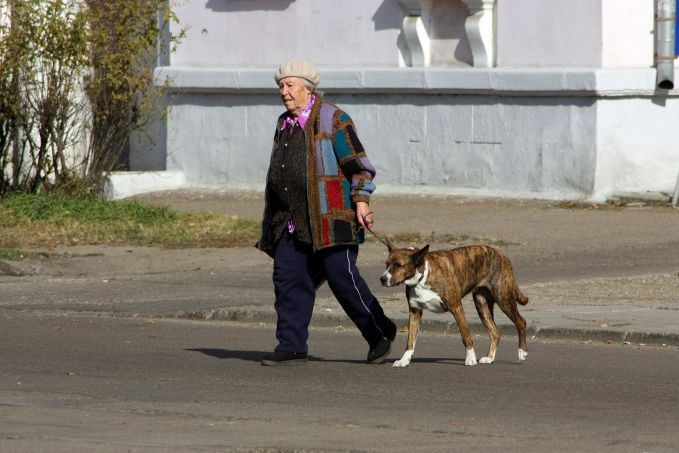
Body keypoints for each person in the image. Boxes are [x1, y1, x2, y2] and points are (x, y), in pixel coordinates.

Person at [257, 59, 397, 366]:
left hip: (331, 218)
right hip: (291, 221)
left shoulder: (334, 119)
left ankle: (379, 332)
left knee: (341, 277)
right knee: (288, 279)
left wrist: (362, 201)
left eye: (289, 85)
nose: (283, 91)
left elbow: (360, 167)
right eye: (280, 86)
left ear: (307, 88)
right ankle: (291, 346)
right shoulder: (284, 123)